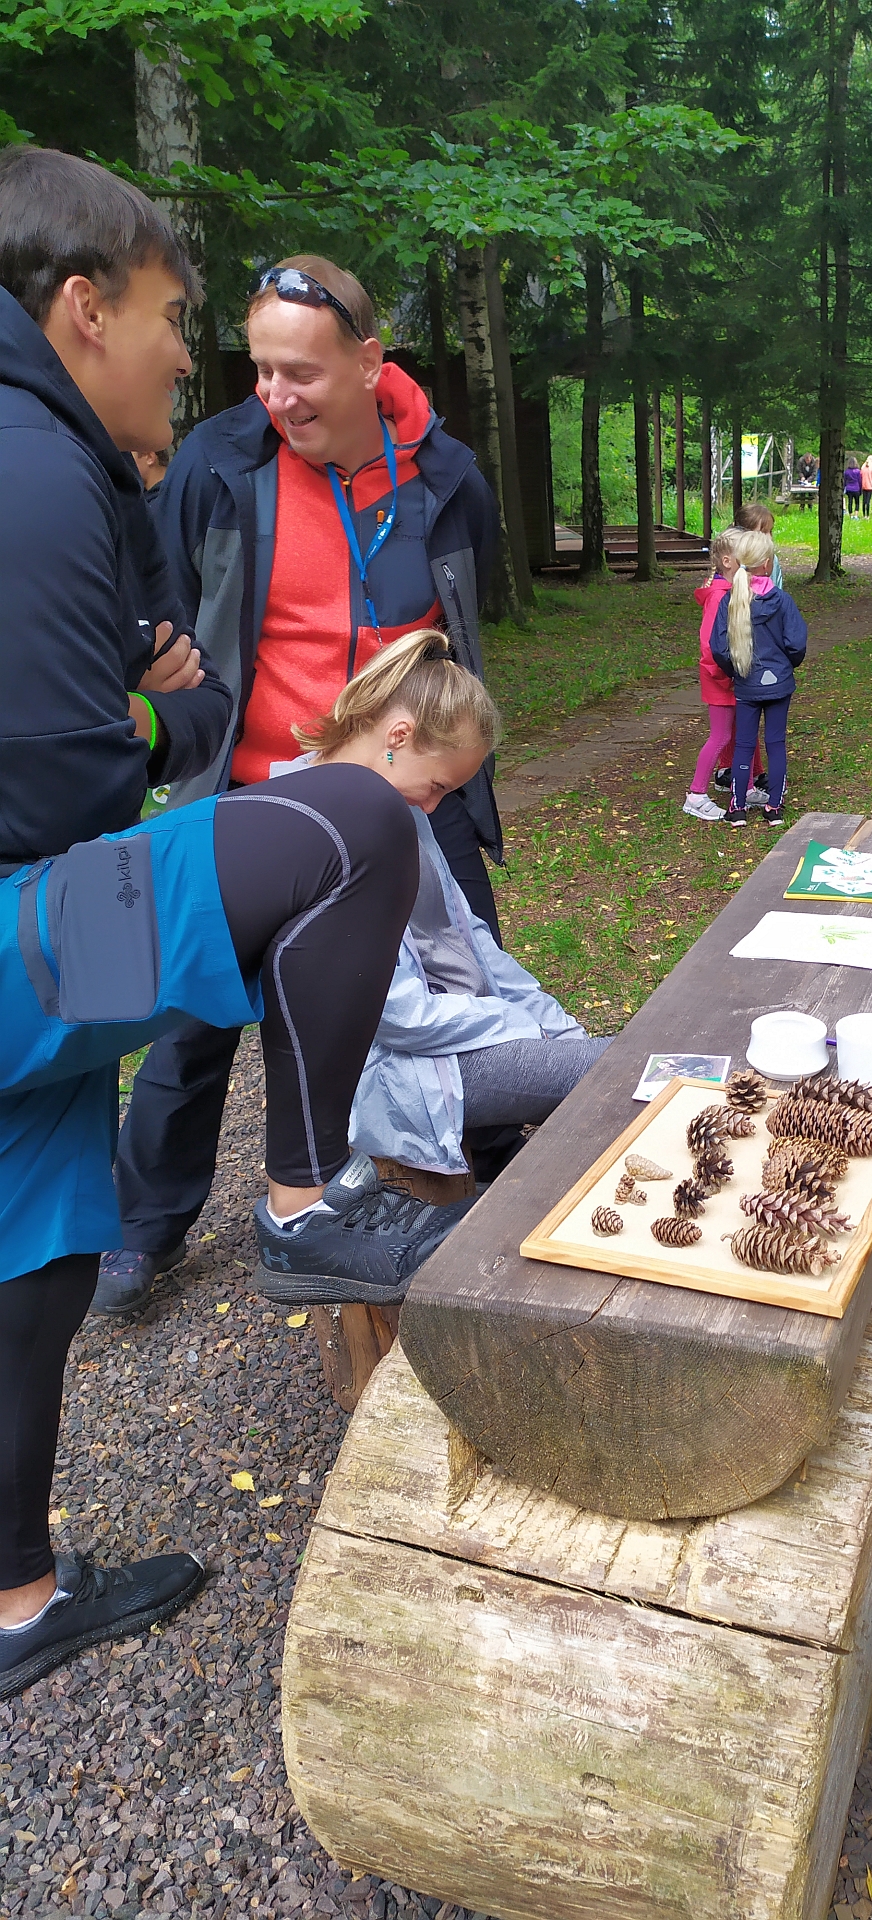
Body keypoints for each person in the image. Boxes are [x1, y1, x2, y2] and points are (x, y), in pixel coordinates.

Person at [0, 147, 469, 1696]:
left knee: (31, 1257)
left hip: (25, 944)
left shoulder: (48, 455)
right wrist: (155, 730)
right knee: (353, 821)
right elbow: (68, 772)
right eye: (168, 320)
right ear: (84, 308)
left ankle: (14, 1601)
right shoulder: (31, 460)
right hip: (21, 932)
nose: (184, 361)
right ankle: (300, 1205)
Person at [96, 254, 505, 1315]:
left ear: (370, 363)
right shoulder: (218, 464)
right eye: (262, 370)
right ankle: (144, 1226)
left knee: (468, 979)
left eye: (302, 373)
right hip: (252, 792)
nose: (275, 395)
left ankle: (494, 1180)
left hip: (409, 795)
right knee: (195, 1016)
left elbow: (464, 625)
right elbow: (162, 607)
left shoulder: (447, 477)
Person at [255, 630, 609, 1296]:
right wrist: (519, 1026)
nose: (436, 806)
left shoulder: (392, 802)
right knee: (616, 1074)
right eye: (439, 785)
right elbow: (395, 1017)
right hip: (395, 1069)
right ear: (398, 734)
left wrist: (548, 1017)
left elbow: (468, 935)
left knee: (604, 1058)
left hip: (448, 1034)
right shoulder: (314, 825)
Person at [710, 528, 808, 830]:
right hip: (779, 684)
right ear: (767, 563)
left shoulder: (731, 601)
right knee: (776, 743)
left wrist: (736, 671)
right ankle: (774, 807)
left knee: (743, 745)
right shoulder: (783, 601)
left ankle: (738, 807)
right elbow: (796, 644)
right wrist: (786, 667)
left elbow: (719, 647)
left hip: (746, 684)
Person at [684, 542, 767, 822]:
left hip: (735, 677)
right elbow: (710, 646)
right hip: (721, 679)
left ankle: (746, 787)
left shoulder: (733, 592)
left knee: (744, 732)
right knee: (721, 736)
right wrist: (726, 677)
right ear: (729, 561)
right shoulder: (718, 597)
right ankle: (696, 795)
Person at [859, 451, 872, 516]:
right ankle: (867, 515)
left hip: (864, 485)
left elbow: (861, 475)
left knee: (864, 500)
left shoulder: (863, 466)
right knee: (868, 501)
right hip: (870, 485)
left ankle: (864, 514)